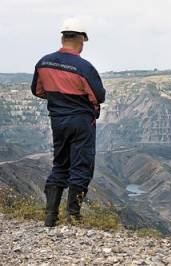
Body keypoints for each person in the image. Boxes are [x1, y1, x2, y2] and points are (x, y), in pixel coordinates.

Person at [31, 18, 106, 227]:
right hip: (81, 122)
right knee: (81, 165)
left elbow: (37, 90)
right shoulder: (84, 67)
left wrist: (60, 99)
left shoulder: (44, 62)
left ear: (63, 37)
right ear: (81, 39)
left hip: (58, 121)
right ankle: (73, 216)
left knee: (60, 164)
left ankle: (50, 215)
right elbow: (98, 96)